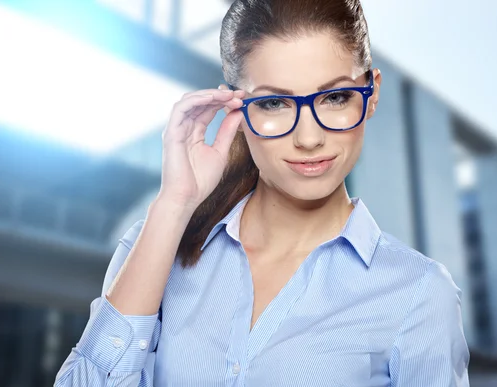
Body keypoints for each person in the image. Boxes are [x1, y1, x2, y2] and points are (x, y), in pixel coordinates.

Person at [55, 0, 470, 385]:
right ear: (236, 107)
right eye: (273, 103)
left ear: (372, 92)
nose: (309, 138)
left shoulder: (419, 295)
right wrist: (174, 203)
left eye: (336, 97)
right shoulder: (155, 247)